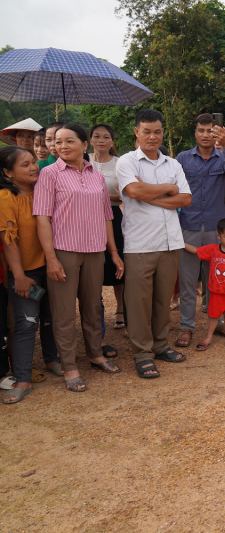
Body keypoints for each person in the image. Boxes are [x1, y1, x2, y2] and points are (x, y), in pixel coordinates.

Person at [33, 124, 124, 392]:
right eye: (58, 142)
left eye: (69, 141)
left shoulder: (96, 175)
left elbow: (107, 216)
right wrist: (51, 258)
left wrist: (114, 253)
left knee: (93, 307)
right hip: (64, 251)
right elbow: (42, 218)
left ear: (84, 145)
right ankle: (70, 365)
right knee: (63, 313)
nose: (63, 146)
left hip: (95, 250)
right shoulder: (49, 175)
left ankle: (95, 354)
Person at [116, 108, 193, 379]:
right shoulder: (127, 162)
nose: (152, 136)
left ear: (163, 132)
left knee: (162, 300)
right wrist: (168, 188)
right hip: (139, 244)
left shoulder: (173, 164)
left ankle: (160, 346)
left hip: (170, 242)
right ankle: (142, 353)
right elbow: (133, 191)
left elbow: (185, 199)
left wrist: (153, 195)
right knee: (138, 303)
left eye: (157, 131)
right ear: (136, 132)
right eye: (146, 131)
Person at [0, 147, 60, 404]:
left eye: (34, 162)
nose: (34, 167)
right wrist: (19, 276)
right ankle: (23, 379)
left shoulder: (42, 192)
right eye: (25, 165)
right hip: (26, 272)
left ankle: (52, 359)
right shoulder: (6, 197)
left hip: (52, 265)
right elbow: (8, 240)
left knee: (51, 317)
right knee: (26, 323)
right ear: (8, 172)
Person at [175, 114, 225, 349]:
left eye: (210, 130)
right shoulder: (182, 158)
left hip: (214, 228)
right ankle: (186, 327)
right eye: (201, 130)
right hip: (189, 226)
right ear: (195, 132)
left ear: (217, 133)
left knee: (216, 280)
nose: (205, 134)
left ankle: (217, 321)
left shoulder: (224, 158)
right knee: (189, 281)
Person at [183, 218, 225, 350]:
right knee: (213, 316)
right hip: (216, 293)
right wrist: (181, 243)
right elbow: (196, 251)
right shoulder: (212, 250)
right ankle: (208, 338)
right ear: (218, 236)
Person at [89, 124, 126, 331]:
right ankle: (97, 310)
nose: (101, 140)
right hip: (86, 218)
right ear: (90, 140)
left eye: (106, 137)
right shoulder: (83, 160)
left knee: (117, 262)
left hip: (113, 215)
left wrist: (99, 195)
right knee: (93, 264)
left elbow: (124, 194)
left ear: (112, 142)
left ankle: (120, 307)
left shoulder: (120, 164)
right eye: (97, 136)